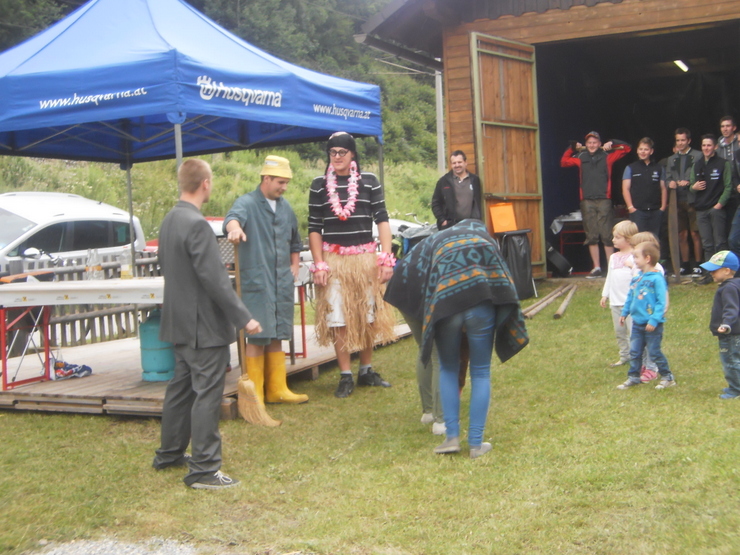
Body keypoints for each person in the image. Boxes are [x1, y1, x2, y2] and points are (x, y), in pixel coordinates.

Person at [152, 159, 262, 490]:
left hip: (179, 322)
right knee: (207, 395)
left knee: (181, 390)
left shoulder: (170, 219)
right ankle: (203, 469)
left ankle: (169, 454)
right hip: (203, 327)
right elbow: (215, 280)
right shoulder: (197, 224)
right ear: (205, 184)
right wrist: (244, 317)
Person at [384, 220, 529, 458]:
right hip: (481, 306)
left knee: (448, 368)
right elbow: (502, 279)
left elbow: (430, 282)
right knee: (481, 372)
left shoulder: (439, 240)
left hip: (447, 305)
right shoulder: (486, 241)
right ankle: (476, 444)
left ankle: (451, 437)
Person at [308, 132, 397, 398]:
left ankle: (366, 370)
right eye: (332, 152)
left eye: (342, 152)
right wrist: (319, 264)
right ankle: (345, 375)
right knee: (338, 318)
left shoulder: (369, 182)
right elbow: (314, 227)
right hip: (334, 261)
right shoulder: (319, 185)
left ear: (352, 154)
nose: (336, 157)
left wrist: (386, 258)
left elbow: (382, 219)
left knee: (368, 316)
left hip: (364, 261)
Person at [224, 155, 307, 405]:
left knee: (278, 332)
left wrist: (294, 265)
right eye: (281, 182)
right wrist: (234, 229)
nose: (284, 188)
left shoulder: (285, 207)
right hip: (258, 280)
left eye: (286, 183)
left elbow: (295, 240)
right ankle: (255, 393)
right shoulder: (247, 203)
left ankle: (277, 389)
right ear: (266, 178)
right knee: (257, 334)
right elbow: (232, 219)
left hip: (281, 280)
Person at [560, 131, 631, 278]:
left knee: (607, 234)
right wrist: (572, 148)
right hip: (587, 200)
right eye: (589, 143)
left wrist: (612, 142)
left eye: (595, 142)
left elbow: (627, 148)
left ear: (599, 143)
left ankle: (611, 267)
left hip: (604, 199)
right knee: (591, 235)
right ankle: (596, 267)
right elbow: (564, 161)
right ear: (586, 144)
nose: (592, 145)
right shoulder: (580, 157)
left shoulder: (607, 156)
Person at [616, 241, 676, 390]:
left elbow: (661, 302)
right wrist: (625, 312)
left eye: (636, 257)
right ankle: (633, 377)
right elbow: (631, 296)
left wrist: (654, 320)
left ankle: (667, 377)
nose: (634, 260)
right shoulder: (637, 277)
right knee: (635, 351)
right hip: (637, 322)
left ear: (647, 258)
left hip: (652, 324)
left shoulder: (657, 279)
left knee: (654, 352)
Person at [689, 134, 733, 282]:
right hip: (701, 209)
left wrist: (719, 205)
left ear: (715, 147)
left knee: (720, 242)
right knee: (707, 244)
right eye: (704, 145)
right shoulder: (697, 164)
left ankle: (724, 274)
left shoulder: (723, 163)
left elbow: (728, 186)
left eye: (709, 145)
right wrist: (693, 187)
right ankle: (710, 274)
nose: (706, 148)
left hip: (716, 208)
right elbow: (691, 186)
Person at [700, 250, 740, 399]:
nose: (711, 273)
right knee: (734, 359)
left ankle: (736, 390)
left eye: (714, 270)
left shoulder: (728, 288)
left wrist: (726, 324)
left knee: (730, 361)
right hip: (735, 332)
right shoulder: (735, 284)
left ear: (727, 271)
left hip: (730, 333)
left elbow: (731, 309)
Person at [600, 220, 639, 367]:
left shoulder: (636, 257)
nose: (613, 240)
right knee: (619, 332)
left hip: (631, 303)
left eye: (617, 237)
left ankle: (637, 357)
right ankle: (624, 355)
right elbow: (610, 277)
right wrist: (605, 294)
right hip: (615, 302)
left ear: (629, 239)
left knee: (633, 332)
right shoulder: (613, 257)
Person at [665, 128, 702, 274]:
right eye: (678, 140)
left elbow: (701, 175)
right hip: (677, 200)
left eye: (683, 140)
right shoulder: (671, 159)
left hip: (693, 199)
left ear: (689, 141)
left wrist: (690, 182)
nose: (680, 143)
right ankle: (685, 264)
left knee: (695, 233)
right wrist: (671, 183)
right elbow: (667, 178)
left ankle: (698, 264)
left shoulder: (698, 155)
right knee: (681, 234)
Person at [622, 137, 666, 236]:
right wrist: (631, 207)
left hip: (655, 211)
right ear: (637, 150)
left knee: (654, 240)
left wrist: (662, 207)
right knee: (638, 239)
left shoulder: (659, 168)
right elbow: (625, 189)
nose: (643, 152)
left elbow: (663, 188)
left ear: (651, 151)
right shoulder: (630, 168)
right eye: (640, 149)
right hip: (638, 211)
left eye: (646, 149)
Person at [431, 150, 482, 230]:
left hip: (471, 226)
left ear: (465, 162)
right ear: (451, 165)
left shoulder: (475, 180)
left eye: (459, 162)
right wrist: (442, 220)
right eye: (454, 163)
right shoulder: (444, 181)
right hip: (450, 226)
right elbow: (435, 203)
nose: (457, 165)